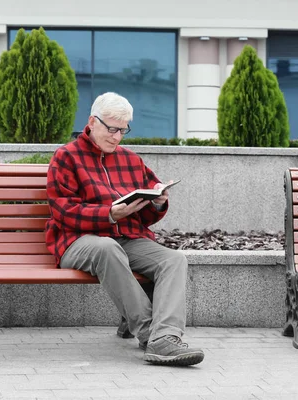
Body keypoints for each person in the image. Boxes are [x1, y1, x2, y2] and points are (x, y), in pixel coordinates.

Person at [45, 92, 205, 366]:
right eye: (111, 129)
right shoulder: (66, 157)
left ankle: (165, 335)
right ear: (91, 122)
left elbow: (145, 218)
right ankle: (152, 337)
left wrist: (157, 203)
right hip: (77, 240)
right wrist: (108, 214)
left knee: (173, 260)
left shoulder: (131, 160)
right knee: (107, 248)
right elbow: (64, 212)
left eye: (123, 130)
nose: (117, 137)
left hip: (128, 238)